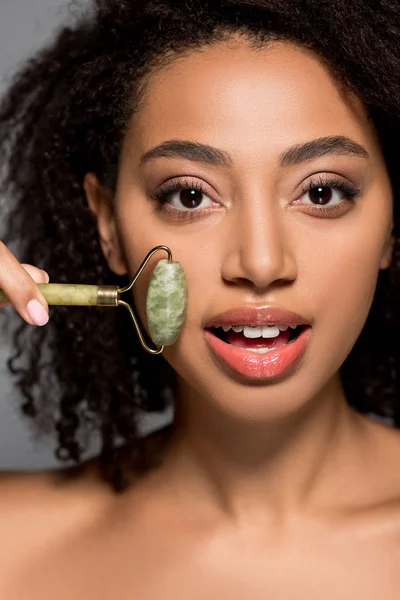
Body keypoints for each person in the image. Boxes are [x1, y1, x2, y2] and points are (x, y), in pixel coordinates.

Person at [0, 0, 399, 596]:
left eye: (321, 192)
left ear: (393, 226)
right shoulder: (14, 544)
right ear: (108, 226)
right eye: (190, 196)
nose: (261, 264)